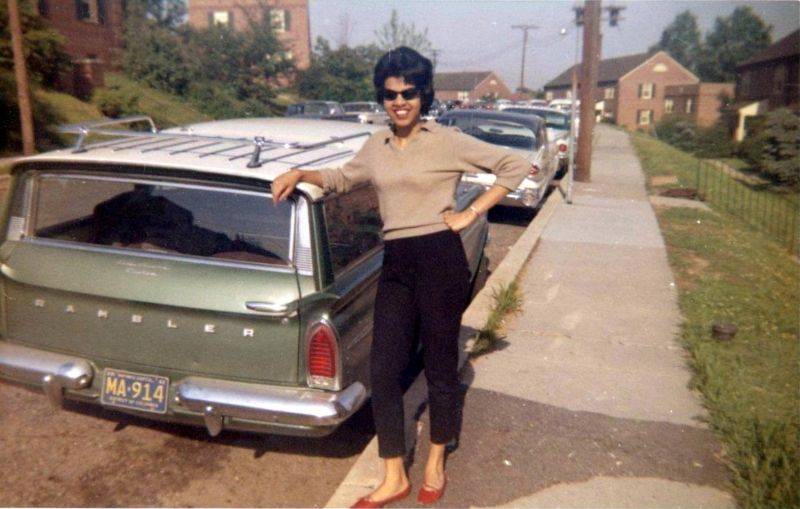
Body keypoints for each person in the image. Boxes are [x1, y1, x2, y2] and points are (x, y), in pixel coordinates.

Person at [272, 47, 529, 508]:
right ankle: (394, 475)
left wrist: (469, 212)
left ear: (423, 94)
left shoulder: (447, 141)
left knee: (439, 369)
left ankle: (434, 462)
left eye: (409, 92)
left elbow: (516, 166)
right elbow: (341, 178)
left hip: (439, 259)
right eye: (391, 94)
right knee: (383, 370)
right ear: (382, 98)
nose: (400, 102)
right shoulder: (377, 145)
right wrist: (298, 172)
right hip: (397, 262)